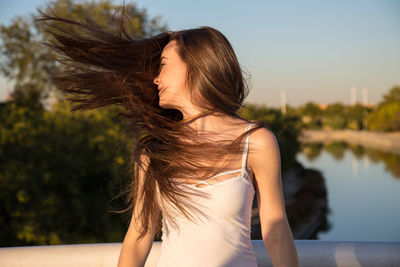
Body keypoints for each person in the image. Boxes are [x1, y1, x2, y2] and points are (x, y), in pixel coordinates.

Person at [36, 7, 299, 267]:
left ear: (195, 67)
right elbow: (139, 235)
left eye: (163, 66)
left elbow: (276, 233)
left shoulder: (256, 142)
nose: (156, 79)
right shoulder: (154, 149)